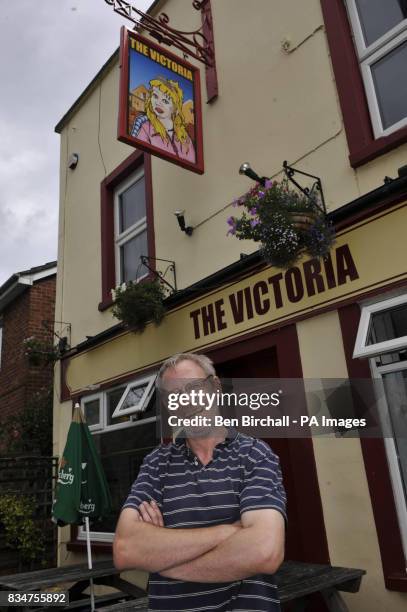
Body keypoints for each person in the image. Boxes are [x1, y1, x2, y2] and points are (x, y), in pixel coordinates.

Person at [113, 353, 286, 611]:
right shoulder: (156, 464)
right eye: (174, 395)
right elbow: (126, 550)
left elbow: (264, 552)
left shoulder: (254, 455)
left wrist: (164, 559)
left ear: (215, 387)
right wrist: (231, 531)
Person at [131, 76, 196, 164]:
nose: (158, 103)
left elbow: (192, 164)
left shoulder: (185, 138)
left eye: (165, 101)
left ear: (175, 110)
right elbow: (142, 160)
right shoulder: (146, 128)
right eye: (155, 96)